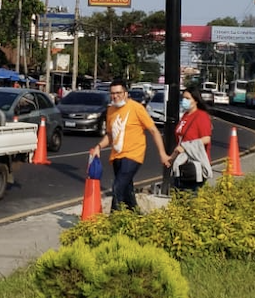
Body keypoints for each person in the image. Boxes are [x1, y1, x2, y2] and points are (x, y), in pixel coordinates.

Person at [89, 79, 171, 211]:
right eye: (113, 93)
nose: (115, 96)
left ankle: (114, 221)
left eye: (119, 93)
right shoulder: (110, 111)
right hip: (117, 155)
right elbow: (110, 135)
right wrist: (98, 147)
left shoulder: (136, 108)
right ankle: (136, 217)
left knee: (117, 187)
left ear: (126, 93)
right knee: (127, 191)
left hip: (133, 155)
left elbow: (153, 130)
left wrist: (162, 154)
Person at [170, 86, 213, 192]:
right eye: (183, 98)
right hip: (181, 162)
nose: (184, 101)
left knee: (190, 197)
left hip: (194, 164)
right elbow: (180, 141)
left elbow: (206, 139)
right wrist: (171, 158)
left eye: (188, 98)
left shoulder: (201, 116)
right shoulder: (185, 115)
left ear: (196, 100)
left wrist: (186, 147)